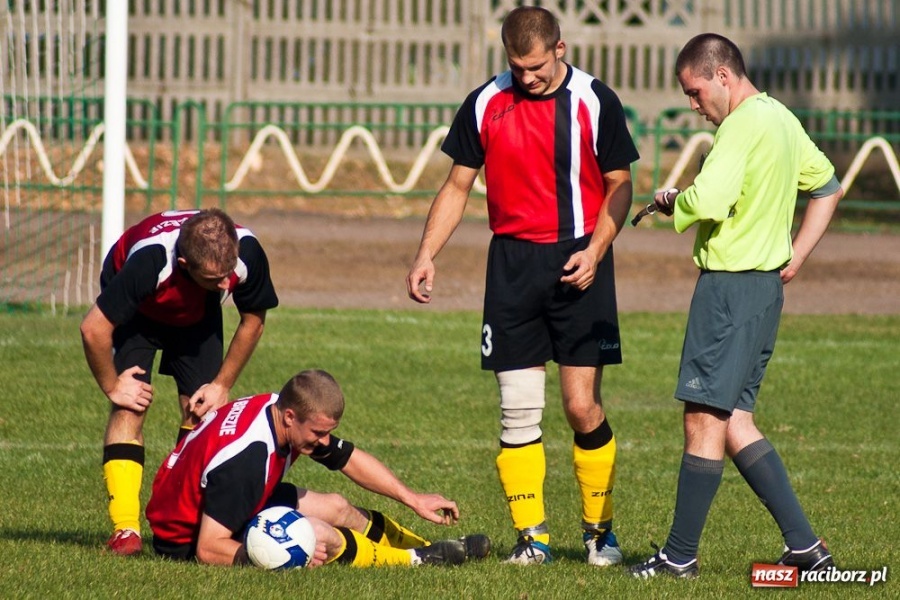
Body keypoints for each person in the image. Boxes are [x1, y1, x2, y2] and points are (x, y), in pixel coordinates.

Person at [406, 6, 639, 566]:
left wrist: (597, 249)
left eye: (535, 66)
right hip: (511, 267)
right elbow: (457, 185)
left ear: (559, 48)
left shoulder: (594, 99)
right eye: (517, 66)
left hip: (579, 259)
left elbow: (621, 185)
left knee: (582, 408)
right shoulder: (487, 101)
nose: (527, 77)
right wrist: (425, 254)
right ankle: (531, 539)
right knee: (518, 410)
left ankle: (598, 534)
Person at [629, 33, 843, 579]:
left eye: (696, 92)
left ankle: (678, 557)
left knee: (703, 417)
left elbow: (710, 200)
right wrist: (794, 257)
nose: (695, 106)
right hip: (764, 289)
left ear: (722, 76)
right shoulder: (780, 117)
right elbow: (828, 187)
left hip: (728, 290)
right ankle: (806, 550)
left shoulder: (739, 127)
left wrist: (674, 199)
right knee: (735, 420)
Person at [80, 208, 279, 556]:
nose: (225, 286)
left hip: (195, 314)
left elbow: (253, 322)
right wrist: (113, 386)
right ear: (185, 263)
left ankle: (183, 522)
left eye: (227, 275)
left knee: (202, 413)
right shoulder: (149, 262)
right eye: (214, 279)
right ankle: (125, 530)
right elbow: (93, 328)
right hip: (139, 312)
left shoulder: (244, 253)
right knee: (131, 405)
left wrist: (221, 384)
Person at [145, 369, 491, 567]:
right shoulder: (248, 461)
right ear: (291, 417)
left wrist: (412, 498)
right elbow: (207, 549)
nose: (325, 442)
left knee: (337, 505)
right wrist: (277, 556)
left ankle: (431, 544)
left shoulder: (277, 409)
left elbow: (350, 460)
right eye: (319, 433)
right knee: (317, 533)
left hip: (219, 497)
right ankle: (417, 560)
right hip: (186, 537)